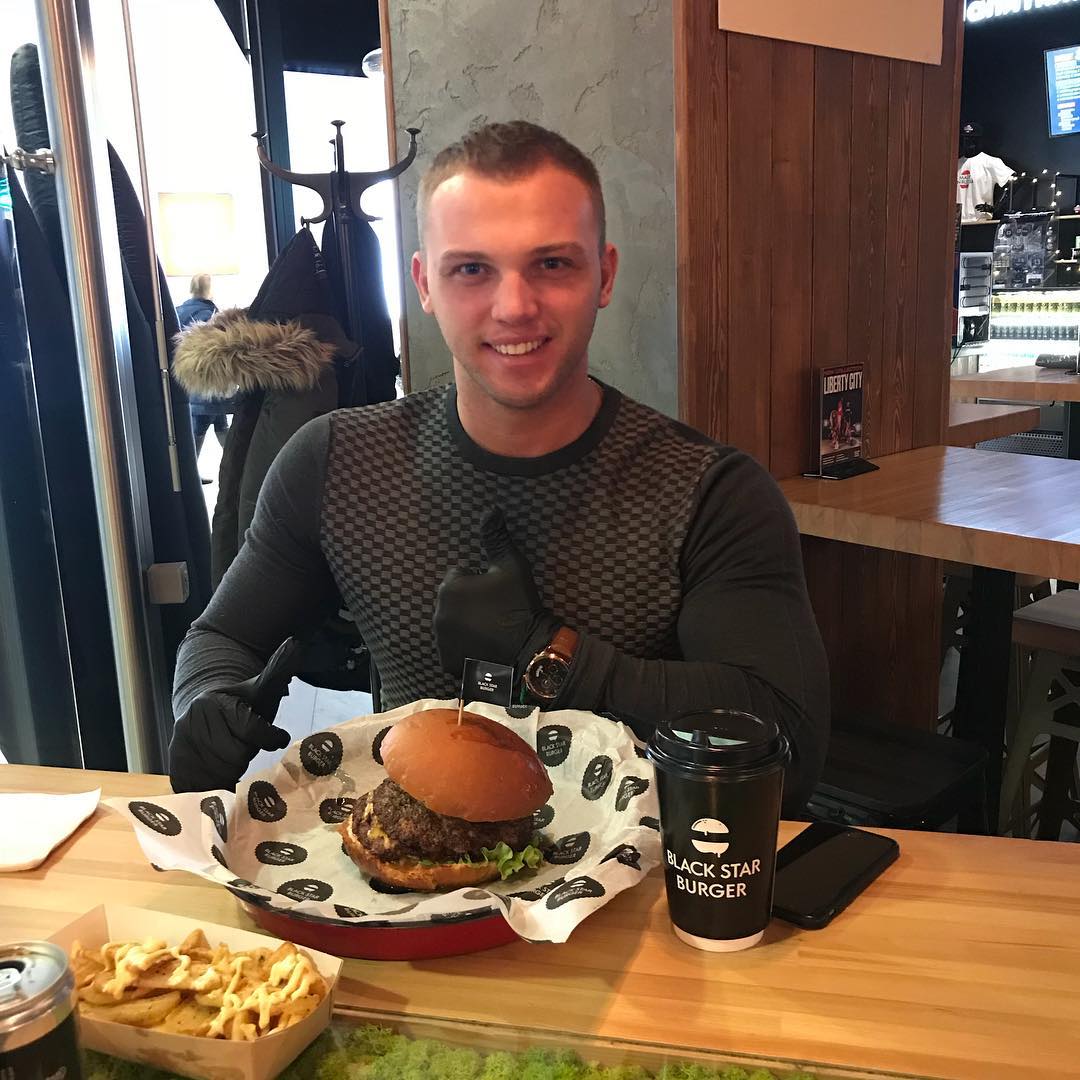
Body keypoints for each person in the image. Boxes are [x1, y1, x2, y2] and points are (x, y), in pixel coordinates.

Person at [168, 121, 830, 812]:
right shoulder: (337, 462)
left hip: (644, 869)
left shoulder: (708, 492)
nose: (514, 307)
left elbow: (791, 745)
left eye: (553, 264)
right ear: (425, 284)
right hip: (408, 865)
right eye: (471, 270)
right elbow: (223, 636)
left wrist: (549, 653)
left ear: (604, 275)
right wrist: (206, 700)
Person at [176, 273, 234, 458]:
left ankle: (233, 465)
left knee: (217, 426)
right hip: (209, 385)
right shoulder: (210, 315)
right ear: (209, 290)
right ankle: (236, 466)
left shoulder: (178, 312)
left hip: (191, 384)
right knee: (204, 430)